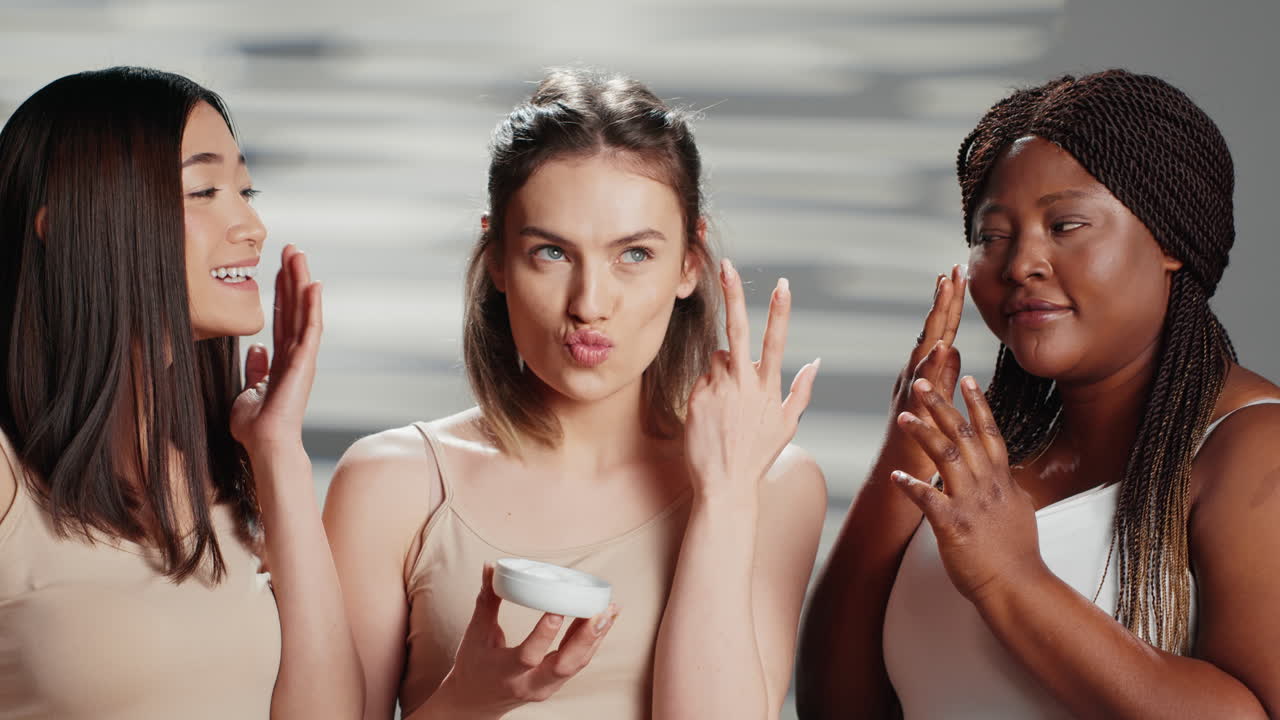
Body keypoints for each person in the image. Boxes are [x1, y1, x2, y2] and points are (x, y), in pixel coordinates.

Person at [323, 67, 826, 719]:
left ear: (689, 265)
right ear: (499, 259)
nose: (590, 304)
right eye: (552, 253)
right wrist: (467, 702)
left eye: (635, 254)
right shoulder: (391, 484)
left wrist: (724, 497)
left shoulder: (774, 484)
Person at [797, 69, 1280, 719]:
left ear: (1169, 238)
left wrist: (1012, 579)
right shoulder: (984, 456)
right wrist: (905, 448)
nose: (1022, 262)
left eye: (1066, 225)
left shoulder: (1251, 449)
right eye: (993, 236)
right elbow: (838, 706)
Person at [0, 67, 362, 719]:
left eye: (246, 190)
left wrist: (277, 451)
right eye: (206, 190)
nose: (252, 225)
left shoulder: (227, 479)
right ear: (74, 226)